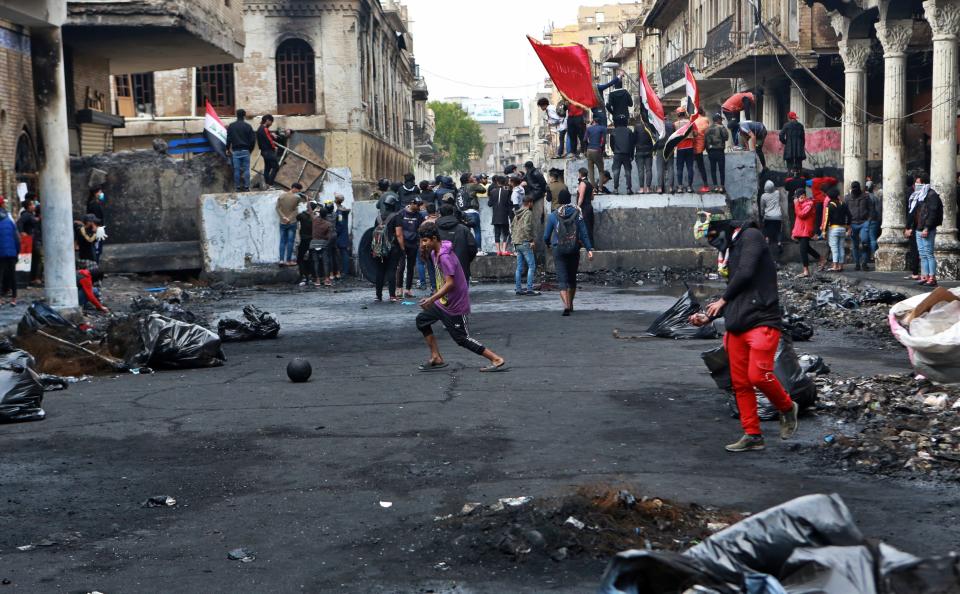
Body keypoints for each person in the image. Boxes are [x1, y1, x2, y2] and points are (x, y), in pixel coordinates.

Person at [690, 214, 798, 452]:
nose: (712, 242)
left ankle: (787, 407)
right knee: (740, 383)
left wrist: (722, 300)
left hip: (762, 320)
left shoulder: (751, 236)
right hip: (737, 323)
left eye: (712, 236)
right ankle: (752, 434)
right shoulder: (730, 250)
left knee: (758, 375)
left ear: (722, 228)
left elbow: (747, 273)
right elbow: (734, 290)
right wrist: (709, 316)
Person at [415, 221, 506, 373]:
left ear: (434, 239)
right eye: (421, 240)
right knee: (422, 320)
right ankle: (436, 357)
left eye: (425, 240)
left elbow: (450, 283)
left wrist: (431, 299)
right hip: (442, 302)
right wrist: (434, 298)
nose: (423, 244)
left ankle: (496, 359)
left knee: (461, 339)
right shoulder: (434, 252)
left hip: (455, 304)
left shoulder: (444, 256)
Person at [543, 189, 593, 316]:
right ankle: (571, 304)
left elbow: (546, 235)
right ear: (569, 199)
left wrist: (548, 244)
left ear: (559, 200)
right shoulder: (577, 213)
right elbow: (583, 232)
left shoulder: (553, 215)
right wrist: (589, 249)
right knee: (572, 278)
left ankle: (565, 305)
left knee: (562, 278)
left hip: (558, 249)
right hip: (573, 248)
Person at [906, 174, 943, 287]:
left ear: (925, 184)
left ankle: (932, 277)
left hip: (926, 228)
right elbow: (914, 213)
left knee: (928, 253)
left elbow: (932, 213)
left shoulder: (931, 195)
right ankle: (925, 276)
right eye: (916, 183)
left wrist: (927, 227)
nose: (917, 185)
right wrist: (910, 227)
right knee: (922, 254)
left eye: (919, 183)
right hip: (918, 228)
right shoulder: (918, 196)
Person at [436, 203, 477, 283]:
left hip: (442, 267)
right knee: (462, 293)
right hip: (461, 265)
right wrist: (466, 260)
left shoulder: (435, 229)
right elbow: (473, 248)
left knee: (443, 292)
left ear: (440, 214)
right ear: (452, 213)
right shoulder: (463, 229)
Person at [372, 193, 402, 301]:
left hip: (379, 249)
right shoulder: (396, 216)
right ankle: (392, 296)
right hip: (393, 248)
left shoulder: (378, 218)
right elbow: (398, 234)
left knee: (380, 271)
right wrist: (402, 248)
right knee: (391, 271)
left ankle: (378, 296)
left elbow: (374, 233)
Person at [397, 197, 426, 297]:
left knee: (410, 267)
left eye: (420, 205)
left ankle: (408, 289)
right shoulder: (401, 213)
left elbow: (422, 228)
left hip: (413, 244)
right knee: (401, 266)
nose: (419, 207)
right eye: (417, 205)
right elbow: (398, 230)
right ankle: (399, 288)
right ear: (412, 203)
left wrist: (420, 242)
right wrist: (400, 243)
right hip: (402, 243)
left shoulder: (419, 215)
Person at [792, 188, 823, 278]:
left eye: (797, 198)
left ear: (802, 196)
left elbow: (801, 214)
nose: (796, 200)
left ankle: (806, 271)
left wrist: (797, 204)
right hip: (801, 230)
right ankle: (821, 259)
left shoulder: (809, 204)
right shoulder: (801, 204)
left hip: (805, 230)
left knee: (803, 250)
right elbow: (797, 219)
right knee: (807, 248)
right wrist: (794, 232)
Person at [512, 193, 539, 296]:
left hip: (517, 242)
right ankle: (529, 289)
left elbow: (512, 227)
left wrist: (515, 240)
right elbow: (527, 228)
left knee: (519, 267)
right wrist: (531, 240)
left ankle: (518, 289)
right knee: (531, 266)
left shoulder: (517, 213)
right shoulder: (528, 213)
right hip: (525, 242)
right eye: (532, 203)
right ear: (530, 203)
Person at [846, 181, 875, 271]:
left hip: (864, 222)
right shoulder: (847, 198)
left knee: (865, 242)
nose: (855, 190)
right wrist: (848, 226)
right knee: (855, 245)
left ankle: (864, 263)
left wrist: (869, 220)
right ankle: (857, 264)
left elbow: (871, 209)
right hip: (853, 223)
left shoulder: (866, 197)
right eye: (853, 188)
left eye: (856, 188)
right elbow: (846, 212)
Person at [822, 187, 852, 272]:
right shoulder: (843, 204)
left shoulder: (830, 205)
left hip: (833, 229)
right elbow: (849, 215)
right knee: (841, 247)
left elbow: (826, 219)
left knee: (834, 248)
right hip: (842, 229)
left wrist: (824, 231)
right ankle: (841, 266)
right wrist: (848, 226)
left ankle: (835, 266)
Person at [226, 109, 256, 191]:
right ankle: (246, 187)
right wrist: (250, 150)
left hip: (236, 151)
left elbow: (228, 139)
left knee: (237, 170)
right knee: (246, 169)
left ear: (237, 115)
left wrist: (227, 148)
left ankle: (237, 187)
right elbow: (253, 140)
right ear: (244, 116)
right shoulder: (248, 126)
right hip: (246, 150)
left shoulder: (231, 126)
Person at [276, 182, 302, 267]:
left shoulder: (281, 196)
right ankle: (288, 261)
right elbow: (295, 210)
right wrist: (289, 218)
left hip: (282, 222)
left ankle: (281, 260)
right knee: (290, 242)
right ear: (294, 188)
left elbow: (277, 208)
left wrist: (283, 217)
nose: (298, 191)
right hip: (292, 222)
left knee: (282, 241)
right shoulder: (297, 198)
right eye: (298, 190)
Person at [457, 173, 484, 254]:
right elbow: (483, 190)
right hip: (472, 212)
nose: (474, 177)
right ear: (468, 179)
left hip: (463, 213)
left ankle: (465, 250)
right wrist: (476, 182)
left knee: (465, 232)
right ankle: (478, 250)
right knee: (477, 231)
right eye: (472, 177)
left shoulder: (460, 189)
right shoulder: (472, 185)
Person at [310, 203, 335, 287]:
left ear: (319, 213)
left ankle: (317, 280)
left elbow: (310, 211)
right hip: (323, 244)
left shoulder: (314, 220)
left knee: (316, 262)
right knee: (325, 262)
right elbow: (330, 237)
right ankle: (327, 280)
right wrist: (327, 243)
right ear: (326, 215)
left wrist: (308, 202)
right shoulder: (328, 224)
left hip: (314, 244)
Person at [488, 175, 514, 256]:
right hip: (504, 215)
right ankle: (503, 250)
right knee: (505, 233)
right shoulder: (508, 191)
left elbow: (489, 204)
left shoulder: (492, 191)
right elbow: (510, 203)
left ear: (497, 182)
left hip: (495, 216)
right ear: (504, 182)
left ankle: (498, 251)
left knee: (497, 233)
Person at [0, 205, 19, 307]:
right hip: (11, 252)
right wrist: (17, 251)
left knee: (0, 275)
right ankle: (14, 298)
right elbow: (16, 238)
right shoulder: (10, 222)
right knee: (13, 275)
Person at [705, 113, 729, 193]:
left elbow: (705, 142)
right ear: (718, 119)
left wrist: (708, 151)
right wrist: (723, 127)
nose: (721, 121)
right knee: (721, 170)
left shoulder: (707, 129)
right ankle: (722, 187)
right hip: (719, 151)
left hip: (711, 152)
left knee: (713, 169)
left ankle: (715, 186)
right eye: (721, 119)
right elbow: (726, 137)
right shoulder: (721, 127)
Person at [759, 180, 783, 260]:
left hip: (768, 217)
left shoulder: (763, 196)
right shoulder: (777, 193)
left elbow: (762, 208)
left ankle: (767, 240)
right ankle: (779, 243)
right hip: (778, 216)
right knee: (778, 231)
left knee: (766, 231)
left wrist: (762, 215)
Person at [674, 108, 696, 193]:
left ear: (678, 114)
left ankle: (680, 187)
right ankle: (689, 187)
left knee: (680, 168)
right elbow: (695, 133)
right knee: (690, 167)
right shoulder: (690, 123)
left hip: (680, 148)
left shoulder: (675, 124)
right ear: (684, 113)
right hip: (690, 147)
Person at [256, 114, 280, 187]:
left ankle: (267, 184)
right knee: (276, 167)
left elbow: (266, 136)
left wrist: (271, 134)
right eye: (271, 122)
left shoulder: (260, 128)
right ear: (267, 120)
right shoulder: (264, 129)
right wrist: (274, 147)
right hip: (268, 151)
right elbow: (269, 140)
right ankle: (270, 184)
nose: (271, 124)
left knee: (267, 168)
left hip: (264, 151)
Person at [296, 201, 317, 286]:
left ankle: (304, 276)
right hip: (312, 239)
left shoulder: (302, 215)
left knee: (300, 258)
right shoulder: (314, 218)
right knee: (311, 258)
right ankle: (312, 276)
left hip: (304, 239)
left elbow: (296, 217)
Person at [610, 124, 634, 194]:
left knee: (616, 172)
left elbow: (611, 143)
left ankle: (615, 189)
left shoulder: (614, 131)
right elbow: (631, 144)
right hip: (627, 154)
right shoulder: (629, 131)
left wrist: (614, 150)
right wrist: (631, 155)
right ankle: (629, 189)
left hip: (617, 154)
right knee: (628, 172)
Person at [653, 118, 676, 193]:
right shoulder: (671, 125)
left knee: (660, 169)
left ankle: (659, 188)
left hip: (660, 149)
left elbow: (656, 138)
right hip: (669, 148)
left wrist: (654, 148)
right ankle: (670, 188)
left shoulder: (657, 125)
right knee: (670, 168)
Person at [585, 118, 607, 189]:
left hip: (589, 150)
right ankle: (600, 188)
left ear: (593, 121)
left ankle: (593, 187)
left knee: (591, 170)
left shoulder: (589, 129)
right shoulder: (603, 128)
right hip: (597, 150)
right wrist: (602, 149)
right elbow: (603, 141)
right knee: (601, 170)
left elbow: (585, 139)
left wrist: (588, 146)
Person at [634, 122, 655, 193]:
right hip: (648, 151)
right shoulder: (649, 126)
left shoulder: (636, 127)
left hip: (639, 151)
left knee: (641, 171)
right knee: (648, 170)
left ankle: (642, 189)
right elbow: (653, 138)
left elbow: (634, 139)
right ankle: (648, 188)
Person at [692, 111, 711, 193]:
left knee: (690, 167)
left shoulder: (692, 120)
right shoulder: (706, 119)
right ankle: (706, 185)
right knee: (702, 167)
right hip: (703, 146)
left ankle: (689, 186)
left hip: (693, 146)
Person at [334, 193, 350, 278]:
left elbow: (340, 224)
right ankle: (344, 270)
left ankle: (345, 271)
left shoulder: (340, 212)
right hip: (344, 234)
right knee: (344, 253)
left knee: (344, 253)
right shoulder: (343, 209)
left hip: (341, 235)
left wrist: (336, 232)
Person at [866, 180, 882, 261]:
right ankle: (873, 255)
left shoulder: (863, 197)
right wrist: (879, 220)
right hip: (874, 220)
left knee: (866, 238)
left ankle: (867, 256)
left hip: (865, 220)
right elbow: (878, 210)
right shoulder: (875, 197)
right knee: (873, 238)